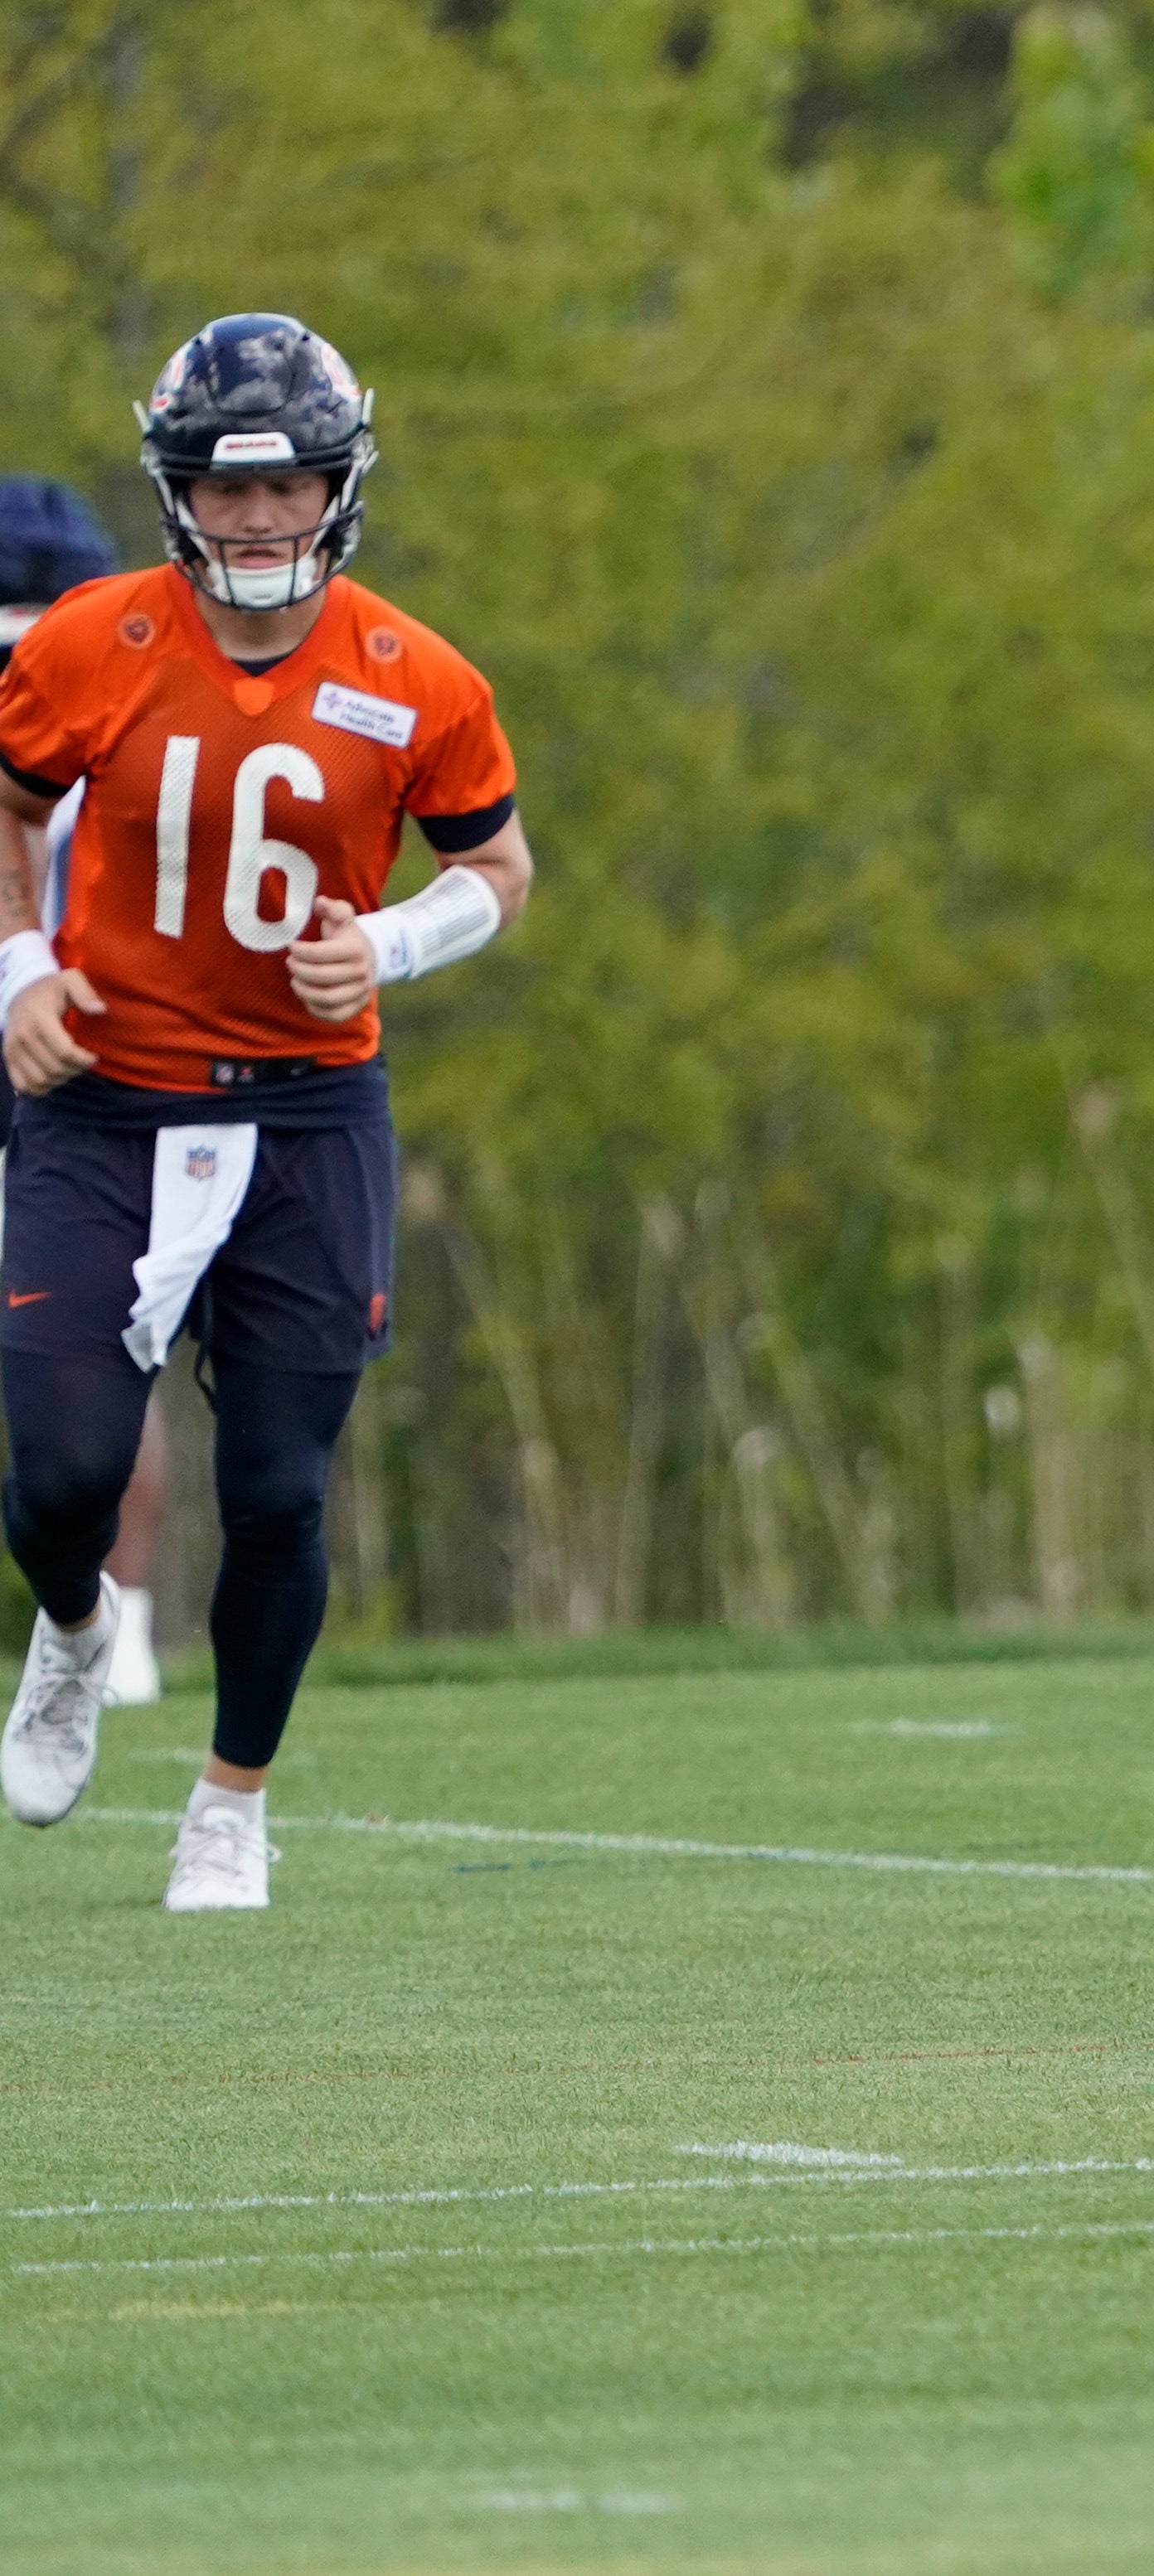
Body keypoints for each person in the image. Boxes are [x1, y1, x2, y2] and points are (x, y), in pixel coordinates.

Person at [0, 315, 534, 1910]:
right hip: (107, 1091)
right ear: (174, 493)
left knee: (284, 1481)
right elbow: (9, 805)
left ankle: (232, 1798)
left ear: (337, 482)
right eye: (222, 492)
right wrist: (20, 963)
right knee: (58, 1462)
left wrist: (389, 940)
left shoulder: (412, 671)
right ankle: (79, 1630)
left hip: (308, 1111)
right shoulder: (90, 641)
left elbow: (495, 868)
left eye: (285, 484)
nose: (254, 521)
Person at [0, 476, 170, 1709]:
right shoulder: (123, 682)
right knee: (110, 1344)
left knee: (99, 1344)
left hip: (68, 1042)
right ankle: (133, 1629)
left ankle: (127, 1626)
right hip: (92, 1037)